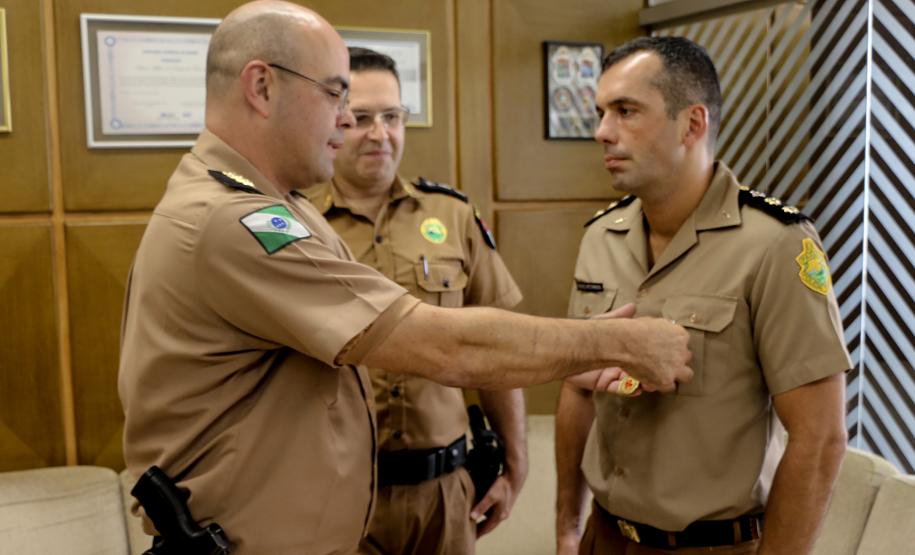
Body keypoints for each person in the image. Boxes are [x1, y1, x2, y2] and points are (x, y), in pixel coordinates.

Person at [118, 3, 692, 554]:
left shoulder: (276, 206)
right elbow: (441, 343)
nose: (348, 119)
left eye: (383, 113)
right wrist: (615, 341)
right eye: (335, 93)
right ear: (262, 86)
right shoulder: (237, 220)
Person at [555, 36, 851, 555]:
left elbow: (820, 438)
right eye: (602, 112)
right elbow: (579, 390)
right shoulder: (600, 237)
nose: (602, 132)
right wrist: (566, 524)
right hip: (604, 538)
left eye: (625, 111)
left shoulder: (775, 244)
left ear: (692, 124)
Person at [301, 47, 526, 555]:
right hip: (335, 497)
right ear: (334, 122)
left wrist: (515, 459)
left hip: (443, 495)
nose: (380, 134)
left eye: (393, 116)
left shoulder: (452, 215)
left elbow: (497, 346)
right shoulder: (296, 225)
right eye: (360, 119)